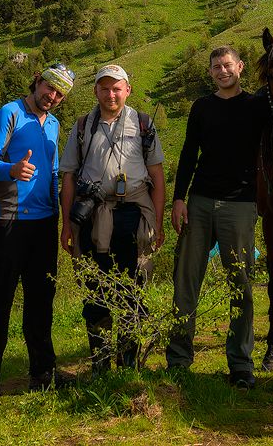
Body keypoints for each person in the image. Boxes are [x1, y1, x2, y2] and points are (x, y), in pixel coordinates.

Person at [166, 46, 266, 387]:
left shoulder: (256, 106)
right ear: (210, 73)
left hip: (240, 204)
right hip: (200, 201)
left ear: (240, 67)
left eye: (227, 65)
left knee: (241, 284)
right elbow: (188, 153)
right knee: (186, 280)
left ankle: (241, 364)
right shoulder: (202, 107)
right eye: (215, 67)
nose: (222, 71)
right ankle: (179, 359)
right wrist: (178, 198)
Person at [0, 63, 75, 397]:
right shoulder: (10, 112)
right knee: (0, 298)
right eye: (49, 88)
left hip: (45, 223)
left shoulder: (55, 123)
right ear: (37, 81)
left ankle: (42, 373)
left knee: (41, 300)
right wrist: (12, 169)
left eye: (60, 94)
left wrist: (63, 218)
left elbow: (55, 172)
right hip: (8, 220)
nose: (53, 96)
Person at [60, 64, 167, 369]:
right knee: (96, 289)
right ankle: (101, 361)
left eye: (117, 88)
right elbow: (68, 176)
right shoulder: (82, 127)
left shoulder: (143, 124)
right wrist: (67, 225)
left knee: (133, 289)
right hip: (93, 217)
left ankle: (129, 361)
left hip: (134, 215)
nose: (111, 94)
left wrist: (157, 224)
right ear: (95, 91)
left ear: (127, 90)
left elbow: (157, 176)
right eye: (104, 88)